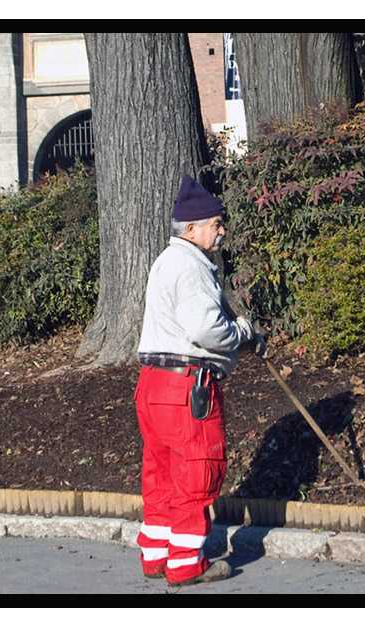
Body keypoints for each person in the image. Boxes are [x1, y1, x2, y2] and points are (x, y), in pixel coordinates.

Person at [133, 174, 265, 586]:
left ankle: (156, 556)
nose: (221, 230)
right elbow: (207, 331)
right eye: (215, 223)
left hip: (153, 384)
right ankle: (187, 565)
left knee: (161, 474)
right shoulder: (191, 267)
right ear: (191, 229)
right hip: (187, 388)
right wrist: (243, 334)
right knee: (195, 471)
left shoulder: (165, 261)